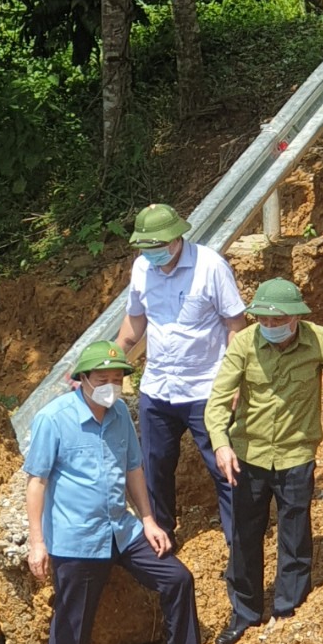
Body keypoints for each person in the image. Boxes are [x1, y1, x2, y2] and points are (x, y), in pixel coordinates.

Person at [24, 339, 202, 644]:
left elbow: (135, 469)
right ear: (82, 379)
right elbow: (36, 482)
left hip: (122, 528)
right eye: (102, 379)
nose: (111, 385)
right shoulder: (53, 420)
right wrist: (38, 542)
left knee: (177, 579)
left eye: (117, 379)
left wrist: (150, 520)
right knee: (73, 622)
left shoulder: (120, 413)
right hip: (76, 537)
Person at [204, 278, 323, 644]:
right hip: (249, 458)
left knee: (295, 538)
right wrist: (221, 444)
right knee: (245, 538)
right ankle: (244, 615)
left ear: (295, 318)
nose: (270, 325)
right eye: (263, 318)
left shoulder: (318, 341)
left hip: (296, 457)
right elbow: (217, 401)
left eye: (277, 318)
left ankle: (287, 613)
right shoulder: (245, 344)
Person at [117, 203, 247, 548]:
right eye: (146, 248)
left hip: (207, 388)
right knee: (153, 467)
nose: (152, 254)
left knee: (225, 468)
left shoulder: (210, 267)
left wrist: (234, 381)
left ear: (176, 239)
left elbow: (236, 325)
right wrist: (110, 362)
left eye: (157, 246)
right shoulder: (142, 269)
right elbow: (134, 323)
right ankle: (162, 539)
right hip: (158, 389)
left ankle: (241, 543)